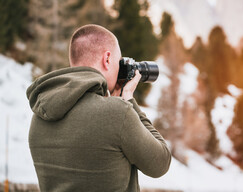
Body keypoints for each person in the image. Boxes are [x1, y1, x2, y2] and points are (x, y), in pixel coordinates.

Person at [26, 24, 171, 192]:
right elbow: (160, 162)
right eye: (119, 62)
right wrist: (129, 100)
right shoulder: (118, 113)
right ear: (107, 59)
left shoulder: (40, 116)